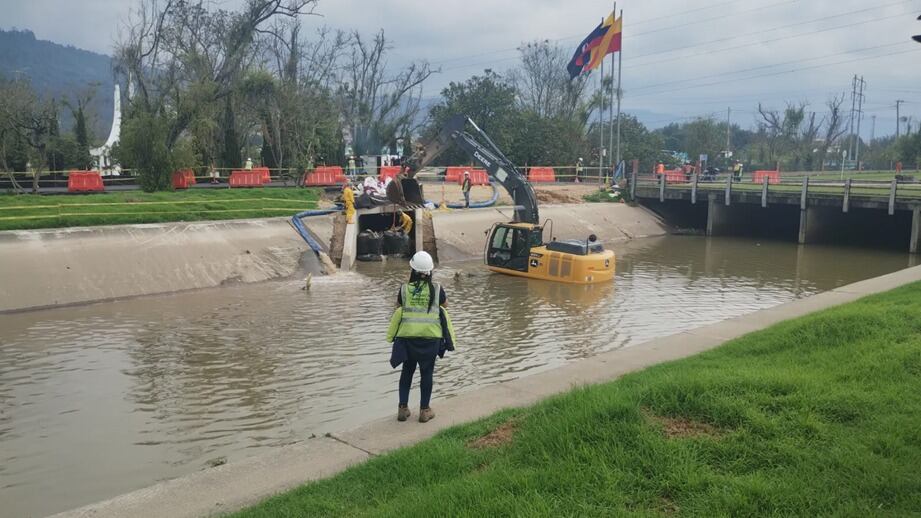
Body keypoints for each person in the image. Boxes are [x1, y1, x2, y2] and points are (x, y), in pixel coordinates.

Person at [387, 251, 452, 423]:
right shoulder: (437, 289)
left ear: (412, 270)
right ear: (430, 271)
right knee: (427, 373)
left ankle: (402, 408)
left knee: (407, 372)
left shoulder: (404, 290)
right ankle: (424, 410)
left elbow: (398, 308)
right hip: (430, 339)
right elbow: (445, 306)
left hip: (408, 339)